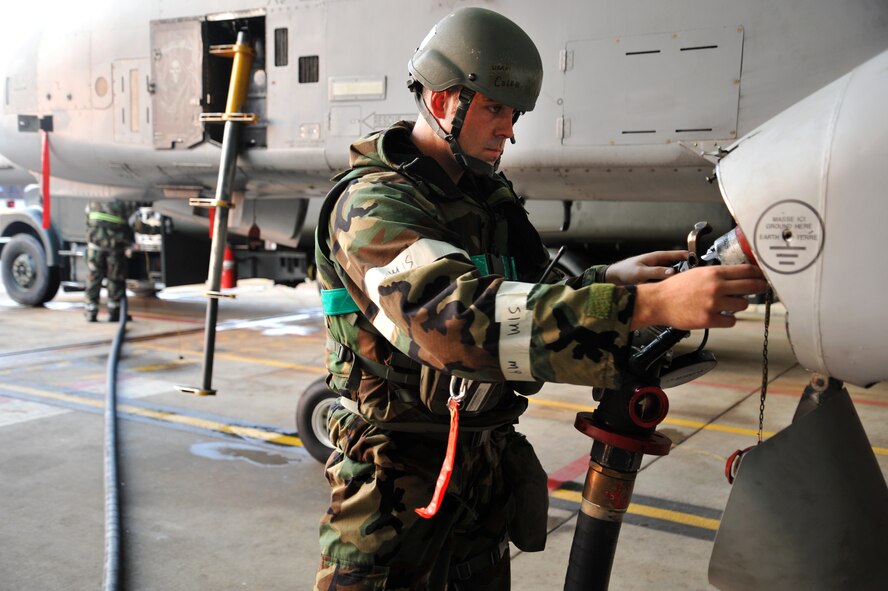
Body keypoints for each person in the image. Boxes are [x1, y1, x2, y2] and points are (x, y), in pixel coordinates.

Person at [313, 7, 767, 590]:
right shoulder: (374, 204)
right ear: (446, 99)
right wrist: (648, 309)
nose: (509, 129)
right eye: (495, 109)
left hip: (480, 484)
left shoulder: (485, 196)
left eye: (514, 112)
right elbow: (453, 322)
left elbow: (524, 299)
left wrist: (615, 281)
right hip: (395, 493)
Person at [84, 200, 160, 322]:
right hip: (114, 250)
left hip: (94, 248)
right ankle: (115, 313)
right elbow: (137, 226)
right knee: (115, 280)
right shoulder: (124, 203)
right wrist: (158, 229)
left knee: (93, 279)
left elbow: (88, 222)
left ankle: (91, 312)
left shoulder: (93, 201)